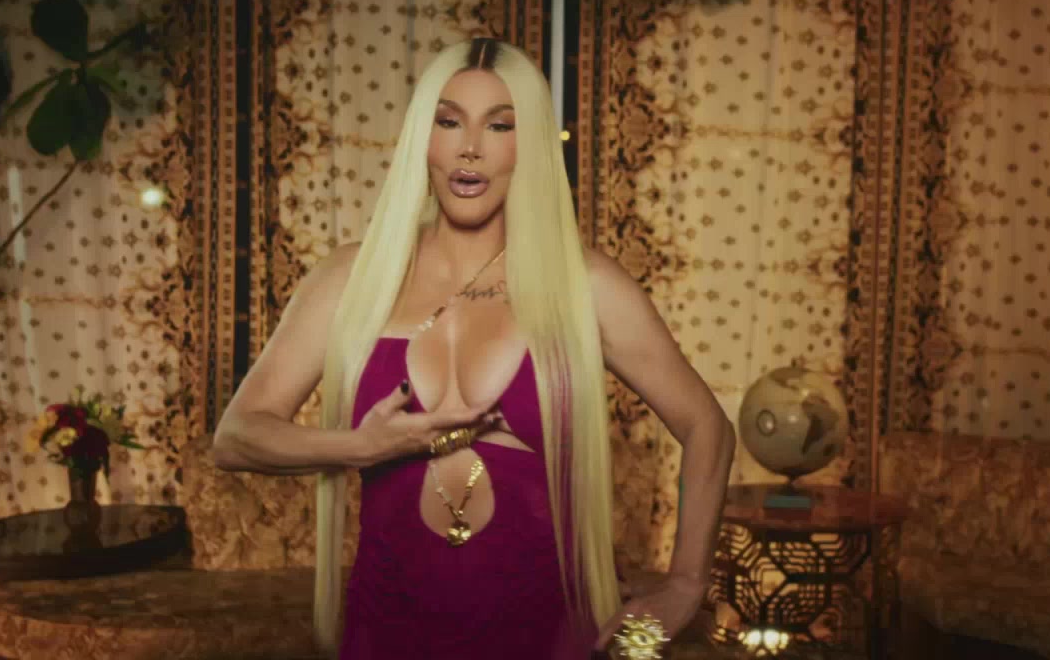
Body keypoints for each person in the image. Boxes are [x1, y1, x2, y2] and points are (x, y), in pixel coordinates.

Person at [212, 37, 735, 659]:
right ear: (423, 138)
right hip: (386, 632)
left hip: (549, 636)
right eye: (449, 121)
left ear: (529, 145)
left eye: (500, 125)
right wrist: (359, 447)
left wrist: (685, 584)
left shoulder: (585, 285)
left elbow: (707, 425)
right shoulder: (354, 278)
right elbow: (237, 437)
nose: (470, 147)